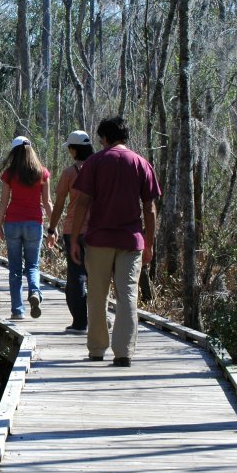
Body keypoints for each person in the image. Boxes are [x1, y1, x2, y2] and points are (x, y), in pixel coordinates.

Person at [69, 117, 161, 367]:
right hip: (131, 242)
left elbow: (82, 203)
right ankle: (123, 353)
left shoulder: (95, 162)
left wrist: (75, 238)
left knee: (97, 295)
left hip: (98, 240)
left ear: (105, 138)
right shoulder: (142, 163)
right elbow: (150, 208)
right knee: (128, 295)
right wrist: (150, 243)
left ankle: (97, 349)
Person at [0, 136, 53, 320]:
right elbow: (48, 202)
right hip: (34, 224)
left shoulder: (9, 174)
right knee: (32, 266)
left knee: (15, 268)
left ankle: (17, 310)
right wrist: (53, 227)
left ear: (15, 153)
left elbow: (4, 202)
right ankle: (35, 292)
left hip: (12, 223)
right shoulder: (42, 173)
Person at [45, 130, 94, 333]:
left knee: (76, 277)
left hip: (73, 229)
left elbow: (58, 204)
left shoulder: (69, 173)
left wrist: (51, 228)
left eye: (70, 149)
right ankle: (98, 319)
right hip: (98, 230)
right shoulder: (100, 168)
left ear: (74, 150)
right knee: (97, 276)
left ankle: (80, 323)